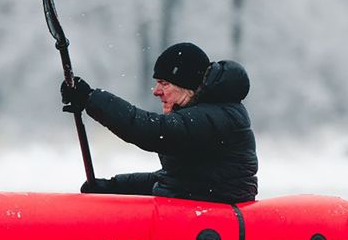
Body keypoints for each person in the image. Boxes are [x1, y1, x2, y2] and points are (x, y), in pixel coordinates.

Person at [60, 42, 258, 204]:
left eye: (164, 84)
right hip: (195, 207)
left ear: (187, 86)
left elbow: (151, 131)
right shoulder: (207, 113)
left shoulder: (216, 117)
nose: (156, 91)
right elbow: (171, 179)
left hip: (215, 218)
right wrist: (112, 187)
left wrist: (90, 98)